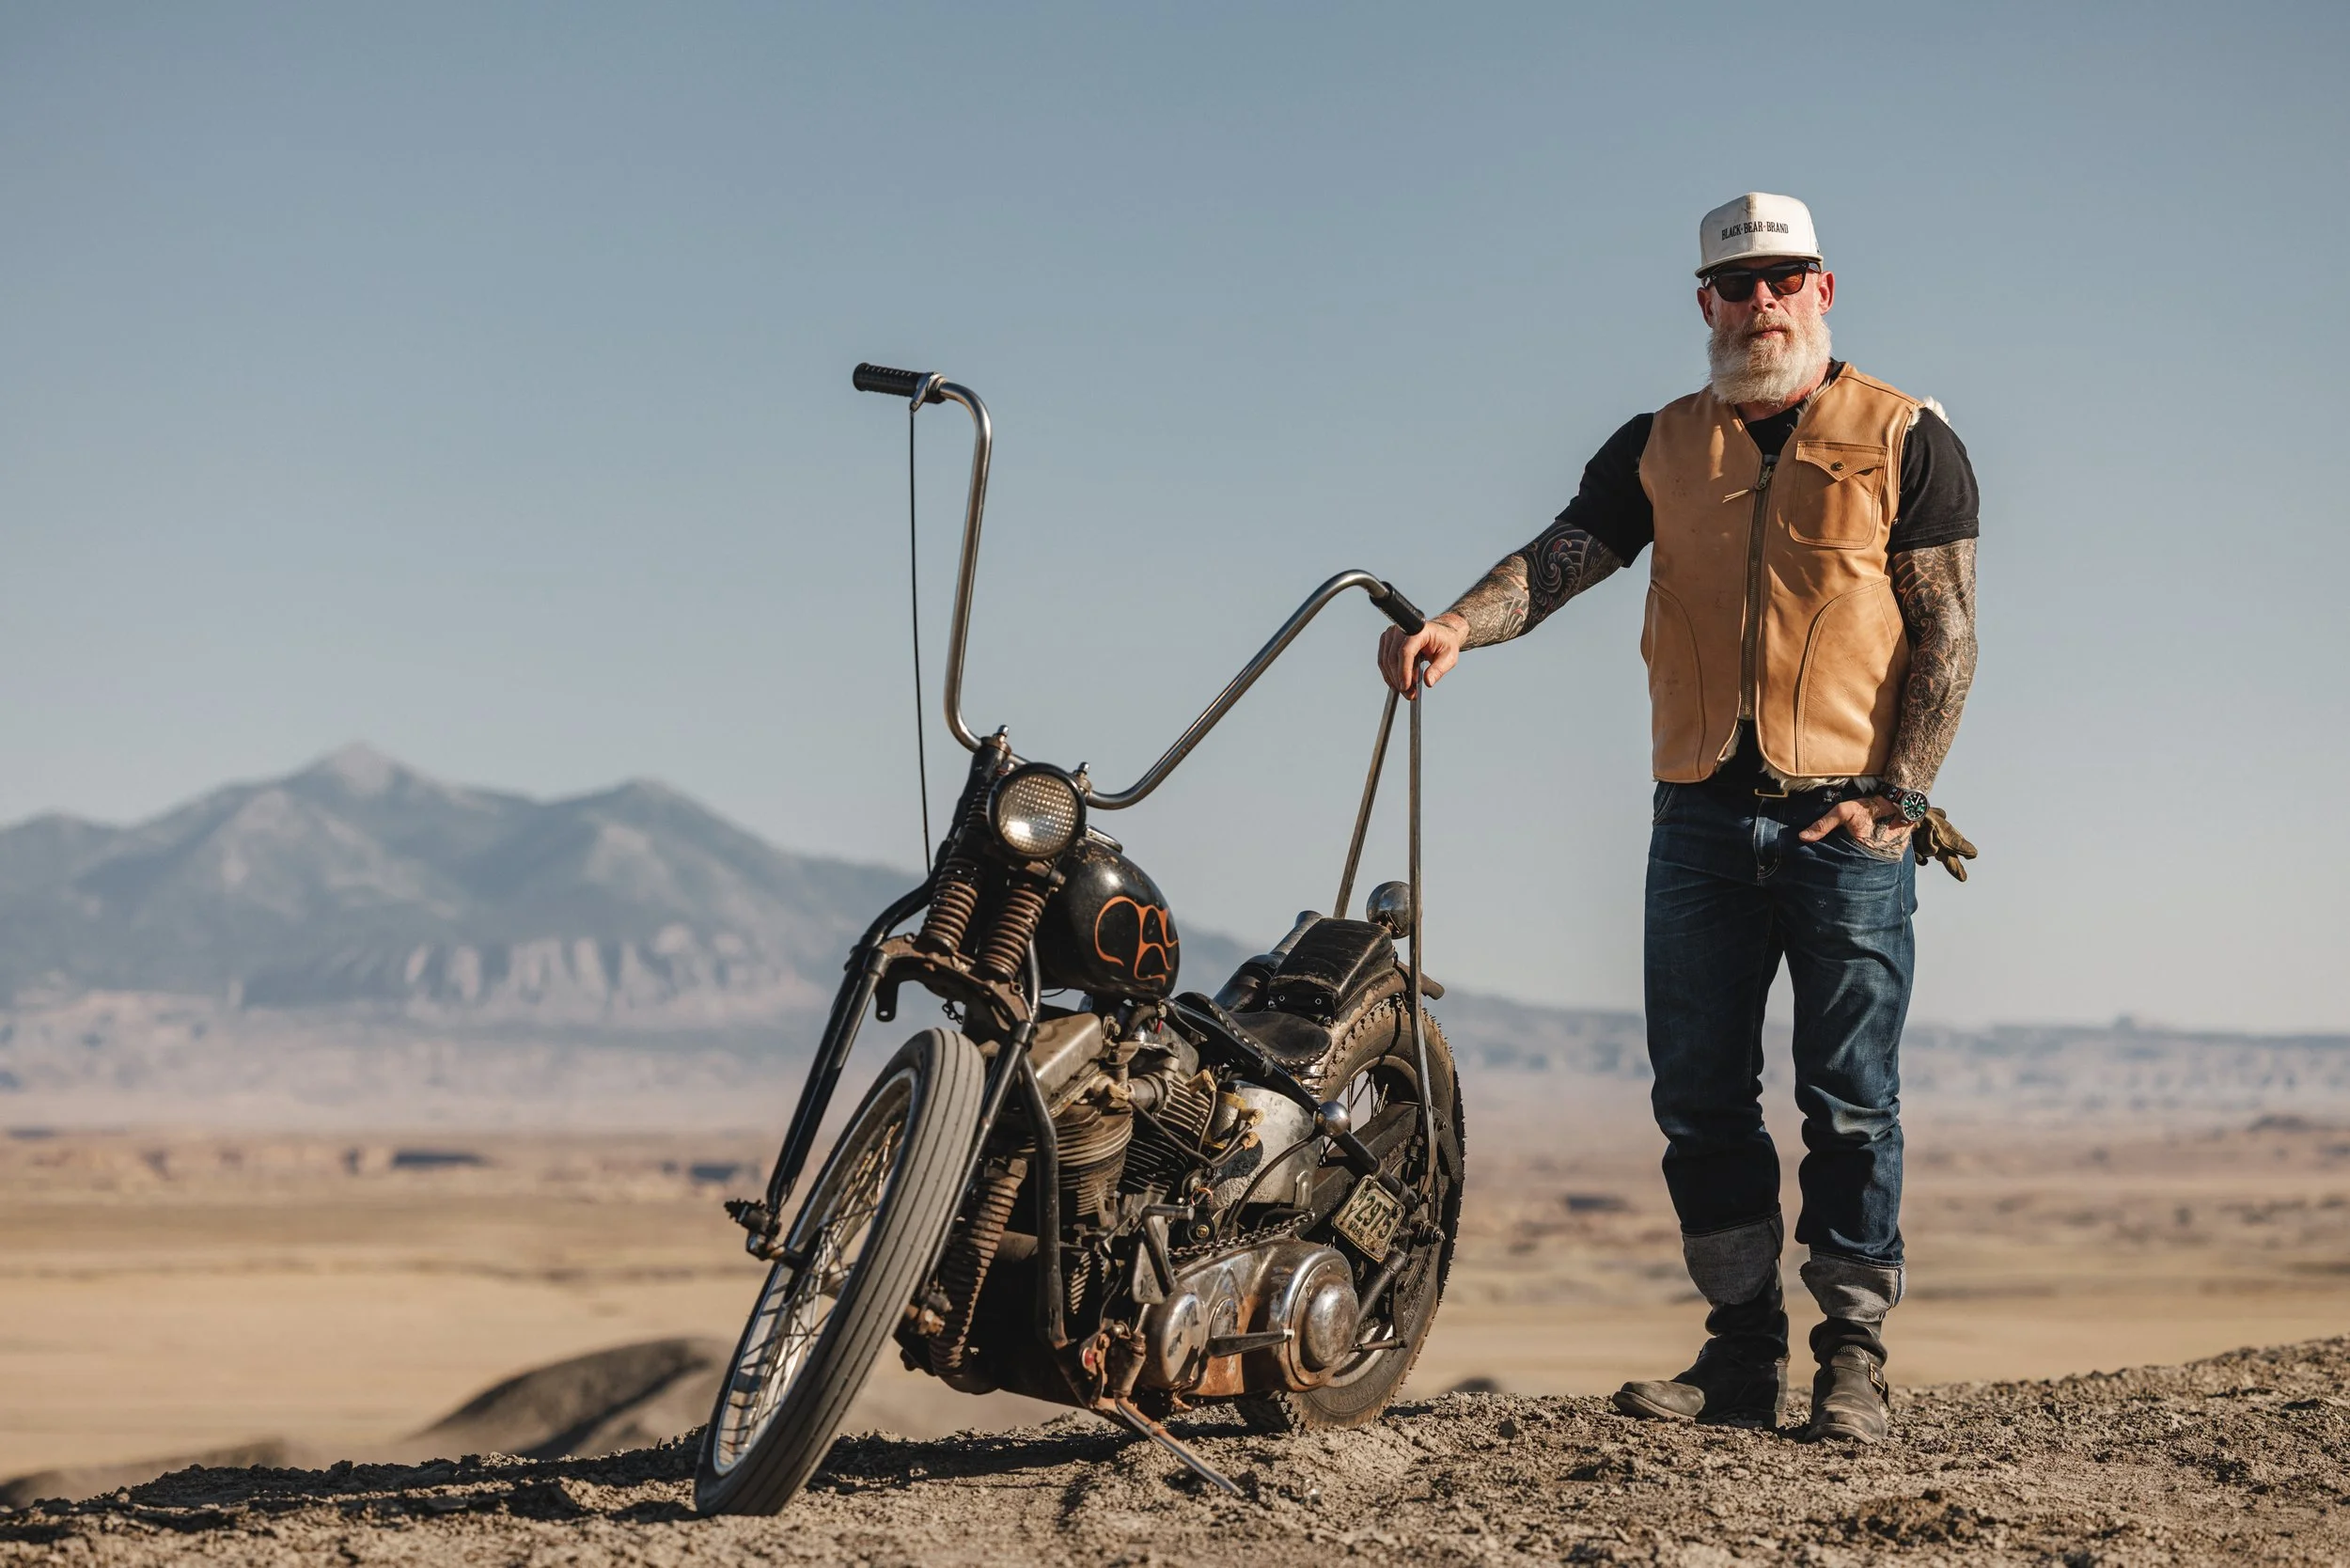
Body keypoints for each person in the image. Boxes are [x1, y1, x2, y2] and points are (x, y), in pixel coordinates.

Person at [1377, 193, 1979, 1443]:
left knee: (1849, 1100)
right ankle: (1740, 1352)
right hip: (1697, 819)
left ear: (1823, 289)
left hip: (1847, 828)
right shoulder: (1659, 446)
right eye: (1737, 285)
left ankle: (1853, 1357)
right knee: (1699, 1099)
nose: (1763, 304)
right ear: (1705, 303)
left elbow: (1948, 632)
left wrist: (1900, 798)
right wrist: (1456, 625)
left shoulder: (1905, 437)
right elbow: (1562, 556)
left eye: (1785, 279)